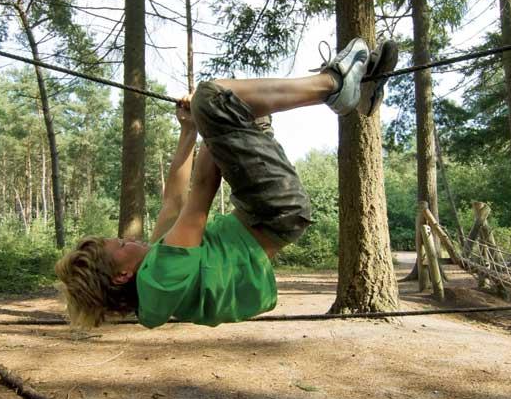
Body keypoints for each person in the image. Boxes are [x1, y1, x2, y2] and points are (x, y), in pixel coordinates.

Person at [55, 37, 398, 328]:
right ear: (121, 275)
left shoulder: (155, 276)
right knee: (214, 97)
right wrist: (208, 124)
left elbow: (173, 201)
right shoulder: (161, 272)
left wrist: (188, 131)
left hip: (264, 210)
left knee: (245, 104)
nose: (127, 238)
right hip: (273, 211)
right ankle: (334, 85)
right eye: (120, 245)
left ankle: (363, 88)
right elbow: (201, 192)